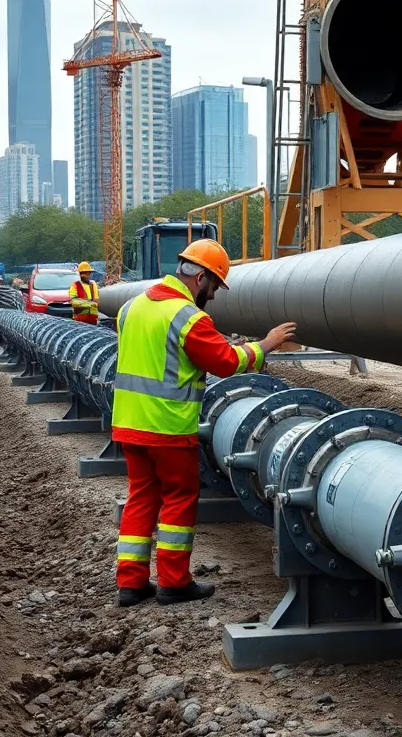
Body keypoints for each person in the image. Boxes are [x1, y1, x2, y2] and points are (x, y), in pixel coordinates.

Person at [111, 239, 296, 608]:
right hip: (168, 427)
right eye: (214, 287)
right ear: (201, 278)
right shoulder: (188, 316)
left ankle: (130, 584)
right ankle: (173, 583)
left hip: (129, 423)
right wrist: (265, 345)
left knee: (141, 498)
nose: (213, 296)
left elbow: (161, 355)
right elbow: (226, 362)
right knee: (179, 499)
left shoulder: (132, 308)